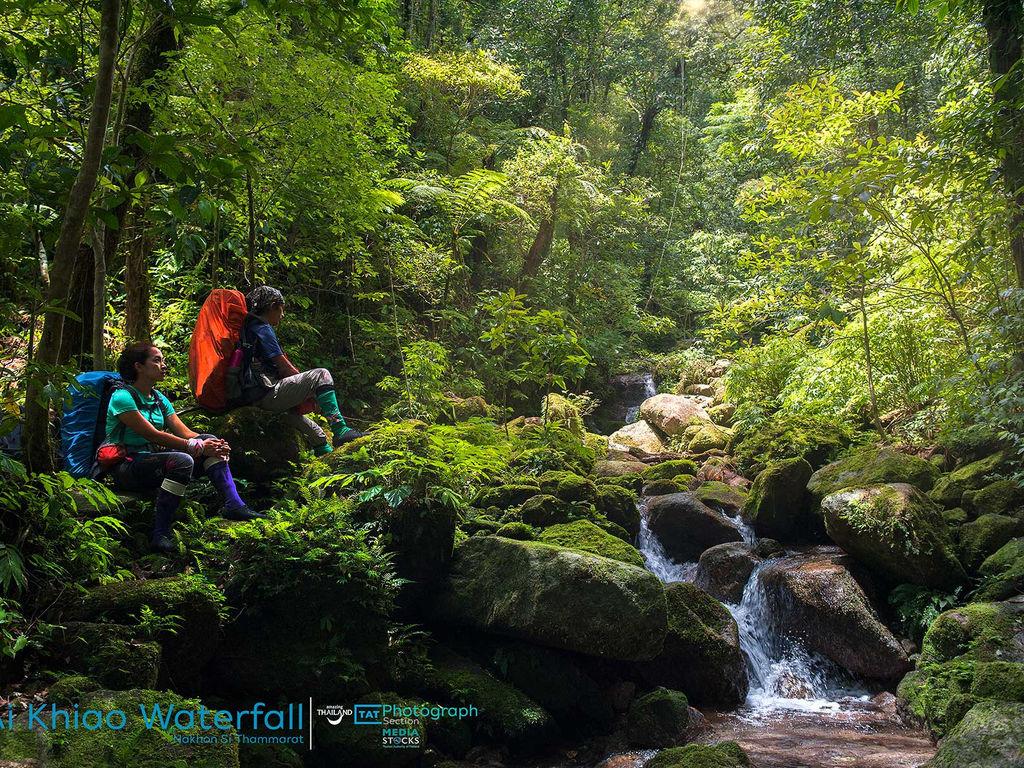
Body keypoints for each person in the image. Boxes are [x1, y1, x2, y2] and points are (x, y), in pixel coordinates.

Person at [104, 343, 264, 553]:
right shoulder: (122, 397)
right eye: (157, 360)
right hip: (127, 466)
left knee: (209, 439)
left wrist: (211, 444)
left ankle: (234, 505)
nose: (163, 365)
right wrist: (195, 446)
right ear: (138, 367)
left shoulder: (159, 399)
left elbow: (185, 433)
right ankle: (160, 534)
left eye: (163, 360)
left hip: (154, 460)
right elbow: (152, 434)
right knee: (182, 460)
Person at [241, 286, 364, 455]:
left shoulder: (246, 327)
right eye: (281, 310)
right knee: (322, 375)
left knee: (318, 435)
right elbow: (284, 367)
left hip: (253, 397)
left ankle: (325, 457)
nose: (282, 315)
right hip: (267, 393)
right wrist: (310, 393)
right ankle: (340, 429)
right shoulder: (262, 327)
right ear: (272, 306)